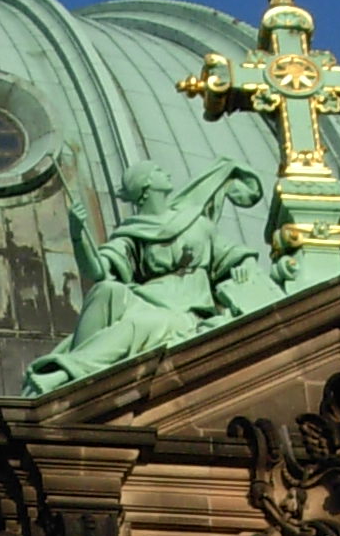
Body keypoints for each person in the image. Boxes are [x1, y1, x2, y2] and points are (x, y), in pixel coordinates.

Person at [24, 159, 271, 391]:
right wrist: (78, 236)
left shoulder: (196, 223)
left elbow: (231, 254)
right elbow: (97, 270)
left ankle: (63, 374)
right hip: (146, 302)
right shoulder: (133, 232)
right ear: (147, 184)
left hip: (184, 314)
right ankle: (74, 378)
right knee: (106, 290)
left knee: (140, 325)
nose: (167, 173)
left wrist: (244, 266)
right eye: (159, 171)